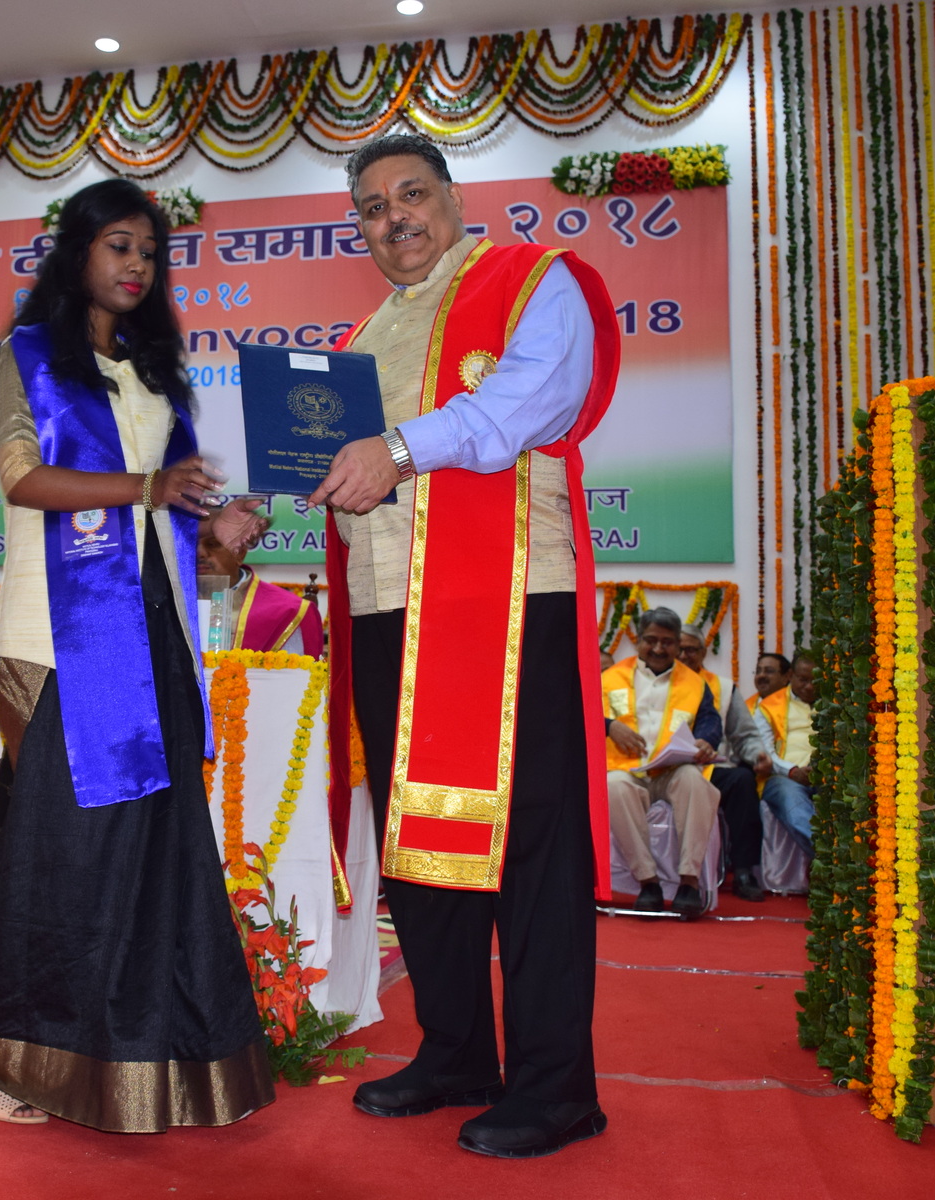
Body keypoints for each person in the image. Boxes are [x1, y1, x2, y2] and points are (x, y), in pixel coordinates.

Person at [310, 134, 620, 1159]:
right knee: (419, 838)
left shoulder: (528, 282)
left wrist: (395, 451)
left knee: (531, 843)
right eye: (371, 208)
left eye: (411, 194)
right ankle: (454, 1051)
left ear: (452, 198)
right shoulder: (361, 337)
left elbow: (529, 402)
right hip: (384, 603)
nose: (393, 218)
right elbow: (352, 470)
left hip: (506, 597)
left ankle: (555, 1087)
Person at [0, 178, 274, 1133]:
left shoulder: (154, 374)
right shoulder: (28, 355)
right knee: (61, 854)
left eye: (150, 253)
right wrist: (148, 486)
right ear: (78, 253)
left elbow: (166, 517)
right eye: (119, 246)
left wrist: (219, 527)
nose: (137, 266)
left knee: (149, 857)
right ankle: (13, 1064)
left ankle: (140, 1059)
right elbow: (23, 478)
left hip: (156, 635)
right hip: (57, 644)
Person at [602, 608, 723, 918]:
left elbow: (710, 721)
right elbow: (583, 715)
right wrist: (609, 726)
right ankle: (648, 882)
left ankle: (689, 882)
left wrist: (705, 740)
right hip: (625, 769)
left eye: (667, 642)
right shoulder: (609, 678)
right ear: (638, 641)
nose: (658, 648)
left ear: (678, 644)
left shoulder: (695, 683)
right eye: (651, 640)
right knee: (613, 788)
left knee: (695, 781)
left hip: (671, 770)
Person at [677, 625, 775, 901]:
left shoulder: (722, 687)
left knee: (742, 780)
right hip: (666, 769)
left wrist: (758, 755)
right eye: (679, 649)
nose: (683, 656)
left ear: (703, 653)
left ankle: (743, 871)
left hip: (711, 767)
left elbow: (744, 735)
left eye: (691, 650)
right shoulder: (658, 683)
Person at [196, 516, 323, 656]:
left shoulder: (290, 611)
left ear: (240, 553)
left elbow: (299, 669)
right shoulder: (175, 605)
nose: (199, 553)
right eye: (189, 544)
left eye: (213, 544)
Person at [754, 649, 817, 852]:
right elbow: (765, 753)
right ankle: (827, 857)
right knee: (794, 805)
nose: (809, 686)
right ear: (790, 675)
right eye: (803, 680)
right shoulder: (768, 707)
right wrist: (792, 771)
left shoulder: (834, 703)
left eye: (815, 680)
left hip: (825, 775)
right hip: (783, 777)